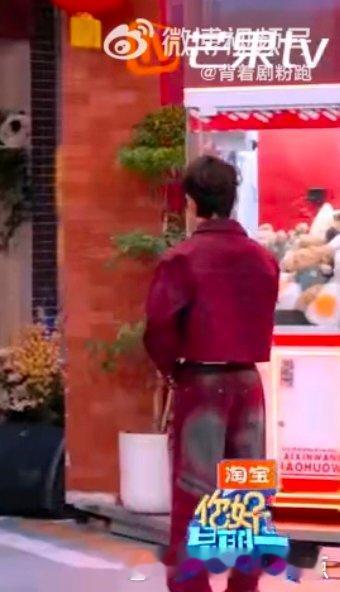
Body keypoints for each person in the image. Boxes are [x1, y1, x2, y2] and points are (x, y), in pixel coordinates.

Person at [144, 155, 280, 592]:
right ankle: (245, 584)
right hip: (248, 383)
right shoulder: (262, 258)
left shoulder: (181, 259)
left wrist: (171, 371)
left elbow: (159, 327)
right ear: (232, 198)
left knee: (193, 495)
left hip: (200, 383)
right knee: (248, 492)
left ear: (190, 202)